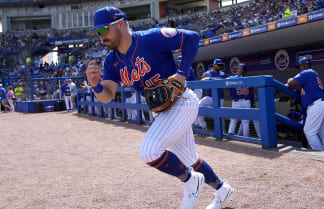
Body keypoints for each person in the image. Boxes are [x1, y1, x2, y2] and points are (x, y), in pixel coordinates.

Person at [86, 7, 234, 209]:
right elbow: (107, 96)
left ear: (120, 23)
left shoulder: (151, 38)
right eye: (97, 33)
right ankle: (223, 190)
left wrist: (182, 74)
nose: (100, 37)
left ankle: (191, 181)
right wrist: (95, 85)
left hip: (182, 101)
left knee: (149, 151)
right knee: (190, 158)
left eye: (103, 30)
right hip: (161, 110)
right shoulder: (112, 61)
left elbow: (192, 38)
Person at [287, 57, 324, 152]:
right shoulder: (312, 75)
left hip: (316, 105)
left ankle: (320, 155)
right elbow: (301, 92)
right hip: (323, 103)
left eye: (300, 66)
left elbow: (291, 82)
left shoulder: (307, 72)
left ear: (304, 65)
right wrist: (294, 102)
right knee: (323, 133)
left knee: (309, 131)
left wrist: (289, 80)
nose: (299, 69)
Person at [194, 58, 226, 130]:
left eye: (221, 65)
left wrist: (210, 79)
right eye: (219, 65)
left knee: (220, 116)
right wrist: (205, 79)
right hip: (209, 97)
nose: (220, 67)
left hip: (219, 98)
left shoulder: (222, 74)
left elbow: (221, 83)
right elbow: (202, 82)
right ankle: (202, 125)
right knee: (198, 106)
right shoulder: (207, 73)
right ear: (214, 65)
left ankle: (222, 132)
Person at [227, 63, 258, 137]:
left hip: (236, 102)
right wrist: (252, 104)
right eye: (239, 69)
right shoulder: (248, 80)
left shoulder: (232, 78)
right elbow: (251, 95)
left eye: (240, 69)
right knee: (245, 122)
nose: (239, 70)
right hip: (246, 102)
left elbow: (225, 83)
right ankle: (245, 138)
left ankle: (230, 134)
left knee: (234, 120)